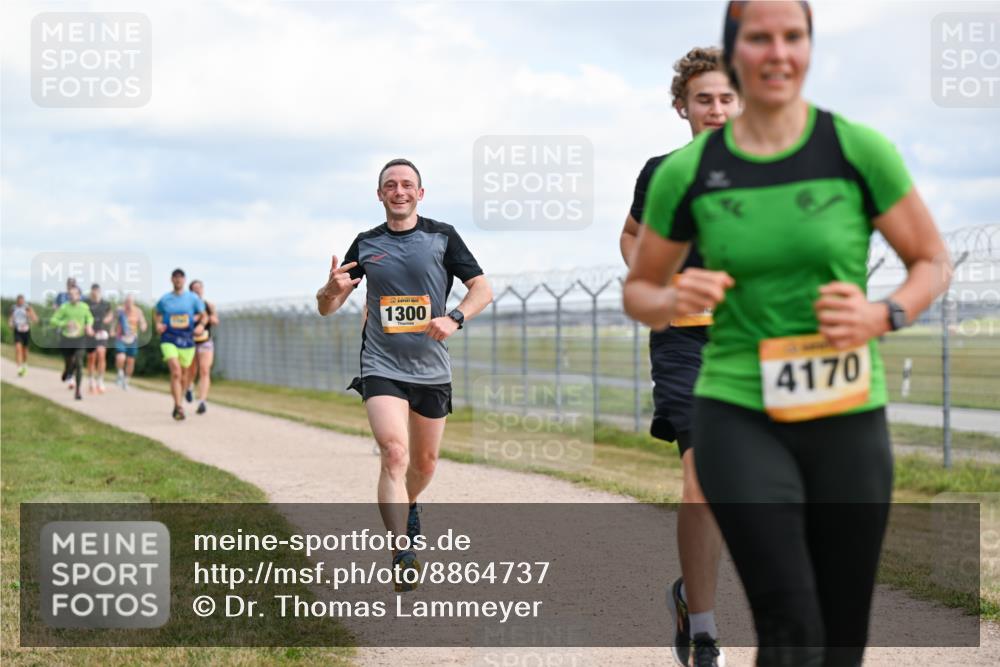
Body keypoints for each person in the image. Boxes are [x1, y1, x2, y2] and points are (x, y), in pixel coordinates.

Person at [623, 2, 951, 665]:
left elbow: (932, 261)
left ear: (808, 47)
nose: (777, 51)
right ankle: (707, 622)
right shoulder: (680, 173)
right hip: (731, 392)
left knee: (838, 629)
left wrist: (883, 314)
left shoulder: (857, 148)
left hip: (842, 397)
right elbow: (640, 287)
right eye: (758, 37)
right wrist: (671, 295)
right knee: (789, 617)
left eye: (793, 36)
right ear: (735, 49)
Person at [316, 158, 493, 590]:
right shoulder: (366, 243)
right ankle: (401, 552)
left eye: (407, 185)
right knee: (395, 453)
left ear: (420, 193)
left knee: (425, 464)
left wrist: (454, 318)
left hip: (431, 368)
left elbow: (482, 289)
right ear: (380, 195)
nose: (399, 191)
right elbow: (327, 306)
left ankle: (411, 504)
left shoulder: (442, 236)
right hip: (382, 364)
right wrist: (330, 290)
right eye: (390, 185)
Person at [620, 46, 739, 667]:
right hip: (685, 338)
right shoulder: (661, 172)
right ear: (681, 107)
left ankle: (691, 597)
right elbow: (632, 236)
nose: (716, 109)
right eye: (704, 99)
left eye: (727, 97)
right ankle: (705, 630)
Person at [154, 269, 206, 420]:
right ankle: (178, 406)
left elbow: (204, 316)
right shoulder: (165, 299)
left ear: (184, 280)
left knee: (184, 376)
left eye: (180, 278)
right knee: (176, 372)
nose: (178, 280)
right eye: (175, 278)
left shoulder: (193, 299)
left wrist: (201, 326)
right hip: (169, 339)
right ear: (171, 280)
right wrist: (158, 325)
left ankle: (179, 402)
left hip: (187, 340)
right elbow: (157, 314)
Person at [50, 285, 94, 400]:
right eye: (70, 294)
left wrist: (89, 325)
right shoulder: (64, 307)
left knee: (79, 363)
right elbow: (53, 321)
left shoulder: (84, 307)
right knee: (69, 362)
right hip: (66, 339)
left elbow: (90, 318)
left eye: (75, 294)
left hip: (80, 339)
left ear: (79, 295)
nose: (72, 296)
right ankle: (67, 370)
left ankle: (78, 391)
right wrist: (64, 324)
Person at [186, 279, 219, 414]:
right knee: (192, 370)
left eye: (200, 287)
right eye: (195, 288)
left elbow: (216, 320)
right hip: (190, 341)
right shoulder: (186, 305)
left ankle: (202, 401)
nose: (198, 290)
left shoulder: (209, 305)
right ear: (191, 291)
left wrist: (211, 319)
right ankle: (189, 387)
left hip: (205, 341)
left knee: (205, 370)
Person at [114, 293, 148, 390]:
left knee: (130, 361)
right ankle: (120, 373)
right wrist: (112, 329)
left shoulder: (138, 311)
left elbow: (142, 321)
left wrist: (143, 326)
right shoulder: (120, 310)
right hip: (121, 337)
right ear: (125, 302)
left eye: (130, 302)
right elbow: (114, 319)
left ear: (133, 302)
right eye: (127, 302)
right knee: (121, 357)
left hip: (132, 339)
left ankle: (126, 380)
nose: (128, 304)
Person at [84, 284, 114, 394]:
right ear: (91, 292)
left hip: (102, 332)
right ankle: (91, 380)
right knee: (91, 357)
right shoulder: (86, 303)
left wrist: (109, 320)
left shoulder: (106, 304)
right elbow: (82, 316)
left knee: (101, 354)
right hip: (91, 333)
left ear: (100, 291)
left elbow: (111, 315)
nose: (95, 292)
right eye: (93, 291)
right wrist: (86, 327)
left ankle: (100, 380)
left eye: (97, 290)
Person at [9, 294, 39, 377]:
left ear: (24, 301)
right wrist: (10, 323)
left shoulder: (27, 308)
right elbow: (11, 318)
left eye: (22, 301)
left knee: (25, 351)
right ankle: (19, 368)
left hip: (26, 331)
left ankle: (25, 364)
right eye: (19, 301)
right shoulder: (13, 308)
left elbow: (36, 320)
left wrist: (29, 314)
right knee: (18, 349)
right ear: (17, 301)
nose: (20, 303)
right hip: (17, 331)